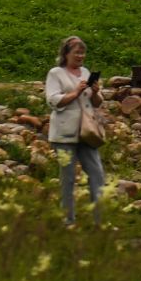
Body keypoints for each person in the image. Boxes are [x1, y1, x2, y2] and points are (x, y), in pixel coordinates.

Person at [44, 35, 105, 228]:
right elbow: (53, 100)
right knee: (68, 178)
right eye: (76, 52)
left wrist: (95, 91)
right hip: (64, 135)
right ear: (66, 54)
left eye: (82, 52)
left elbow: (97, 102)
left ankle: (99, 220)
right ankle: (68, 220)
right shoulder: (56, 73)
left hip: (87, 132)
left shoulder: (85, 72)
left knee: (97, 174)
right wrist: (76, 92)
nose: (80, 56)